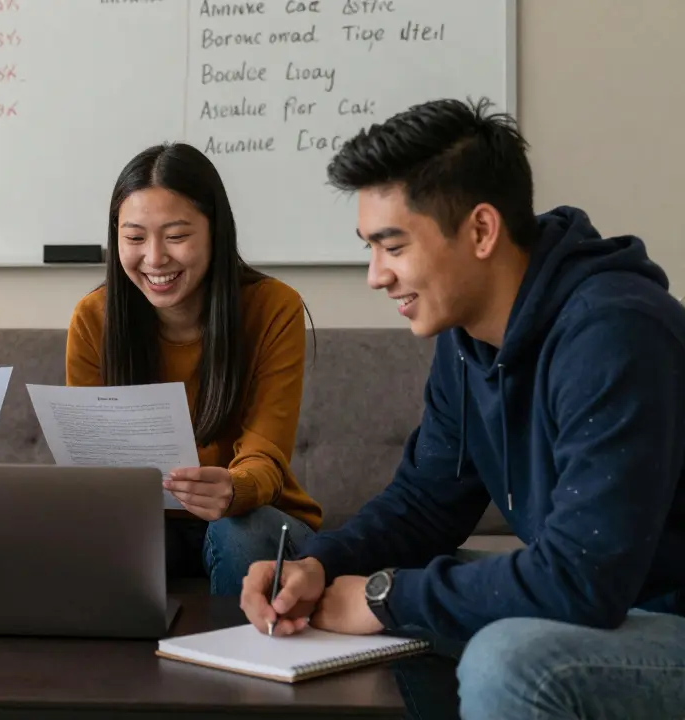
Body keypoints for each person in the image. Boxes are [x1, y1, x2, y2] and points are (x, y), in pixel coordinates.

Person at [240, 98, 685, 718]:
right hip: (610, 603)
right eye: (370, 247)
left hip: (663, 618)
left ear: (480, 230)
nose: (375, 275)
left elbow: (583, 577)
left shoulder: (615, 332)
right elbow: (424, 506)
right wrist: (320, 565)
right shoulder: (467, 339)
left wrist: (382, 595)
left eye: (392, 246)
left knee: (506, 660)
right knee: (369, 621)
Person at [67, 142, 323, 596]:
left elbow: (265, 457)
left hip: (252, 519)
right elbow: (93, 468)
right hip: (149, 526)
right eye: (134, 237)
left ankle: (241, 663)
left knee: (236, 531)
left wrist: (234, 488)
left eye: (177, 235)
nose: (155, 257)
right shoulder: (94, 318)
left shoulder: (273, 308)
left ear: (215, 232)